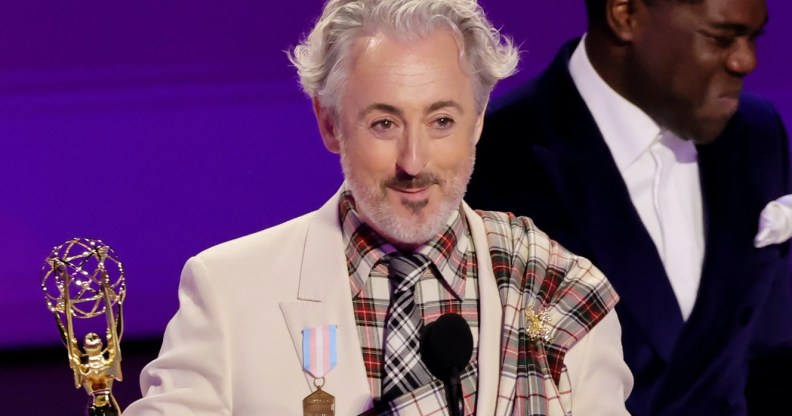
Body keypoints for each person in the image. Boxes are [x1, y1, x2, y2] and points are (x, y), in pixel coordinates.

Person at [122, 0, 633, 415]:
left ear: (478, 120)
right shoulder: (229, 291)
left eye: (442, 121)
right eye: (384, 124)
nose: (413, 162)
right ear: (329, 123)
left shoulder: (562, 288)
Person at [465, 0, 792, 415]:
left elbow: (770, 349)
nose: (747, 61)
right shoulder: (492, 157)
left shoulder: (757, 133)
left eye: (753, 37)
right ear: (626, 15)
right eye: (721, 38)